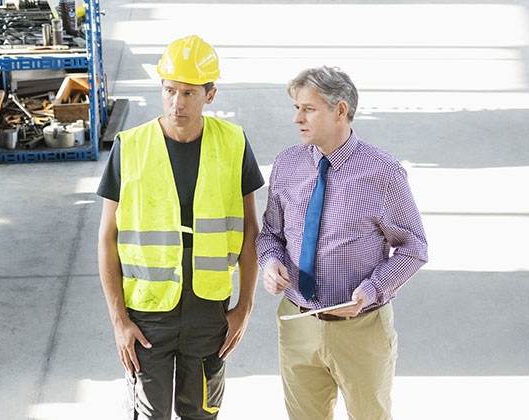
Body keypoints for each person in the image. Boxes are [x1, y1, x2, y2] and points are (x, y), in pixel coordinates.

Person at [96, 34, 263, 420]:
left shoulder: (233, 143)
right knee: (148, 414)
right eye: (170, 90)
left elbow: (251, 232)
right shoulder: (130, 146)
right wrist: (119, 321)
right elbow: (107, 237)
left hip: (209, 311)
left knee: (202, 413)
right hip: (148, 313)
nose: (177, 103)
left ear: (211, 95)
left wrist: (245, 307)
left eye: (189, 93)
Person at [256, 66, 429, 420]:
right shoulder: (287, 165)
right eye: (296, 107)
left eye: (308, 109)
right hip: (296, 322)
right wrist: (269, 263)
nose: (296, 118)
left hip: (361, 329)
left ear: (340, 111)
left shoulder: (381, 173)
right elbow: (270, 234)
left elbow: (414, 248)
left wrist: (373, 289)